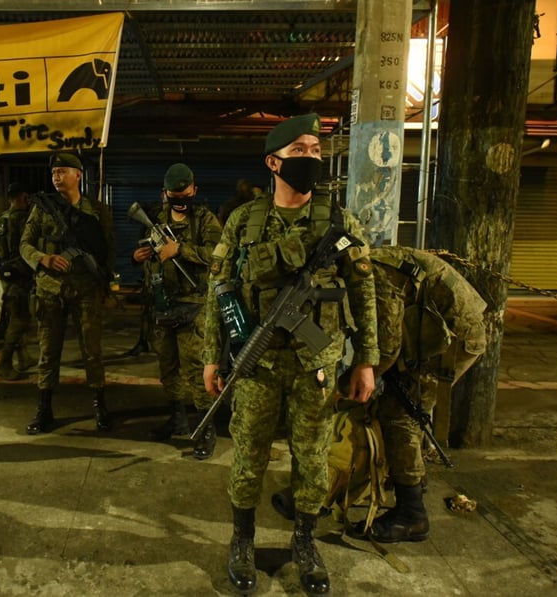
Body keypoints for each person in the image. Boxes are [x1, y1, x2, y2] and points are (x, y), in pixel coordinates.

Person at [201, 113, 379, 596]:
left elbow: (364, 293)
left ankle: (305, 541)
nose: (311, 158)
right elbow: (220, 289)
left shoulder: (341, 222)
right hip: (256, 363)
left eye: (316, 150)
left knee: (313, 459)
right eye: (299, 150)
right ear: (273, 162)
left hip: (316, 364)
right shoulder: (243, 220)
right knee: (248, 455)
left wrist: (366, 360)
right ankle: (242, 540)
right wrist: (212, 356)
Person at [361, 246, 487, 543]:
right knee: (402, 399)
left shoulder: (377, 277)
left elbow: (388, 350)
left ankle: (412, 515)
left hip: (453, 340)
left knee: (399, 414)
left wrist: (351, 384)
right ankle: (414, 479)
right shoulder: (372, 260)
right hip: (435, 331)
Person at [19, 152, 115, 435]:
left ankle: (100, 405)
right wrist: (42, 259)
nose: (57, 177)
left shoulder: (96, 210)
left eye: (63, 171)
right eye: (54, 173)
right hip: (50, 290)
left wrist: (104, 284)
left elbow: (108, 250)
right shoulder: (43, 208)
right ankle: (44, 409)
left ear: (78, 175)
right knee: (48, 352)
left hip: (86, 289)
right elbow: (24, 244)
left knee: (92, 351)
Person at [131, 163, 223, 458]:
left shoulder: (206, 220)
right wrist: (139, 256)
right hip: (162, 304)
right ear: (165, 194)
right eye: (174, 194)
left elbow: (219, 258)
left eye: (184, 193)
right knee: (168, 368)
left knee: (197, 371)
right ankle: (178, 418)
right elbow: (146, 252)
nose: (180, 199)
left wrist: (180, 250)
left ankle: (206, 429)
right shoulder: (155, 220)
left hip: (194, 305)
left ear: (194, 190)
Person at [0, 184, 36, 380]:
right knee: (19, 320)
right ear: (23, 197)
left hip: (8, 273)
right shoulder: (22, 219)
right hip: (21, 274)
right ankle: (5, 363)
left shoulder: (1, 219)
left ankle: (23, 356)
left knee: (18, 316)